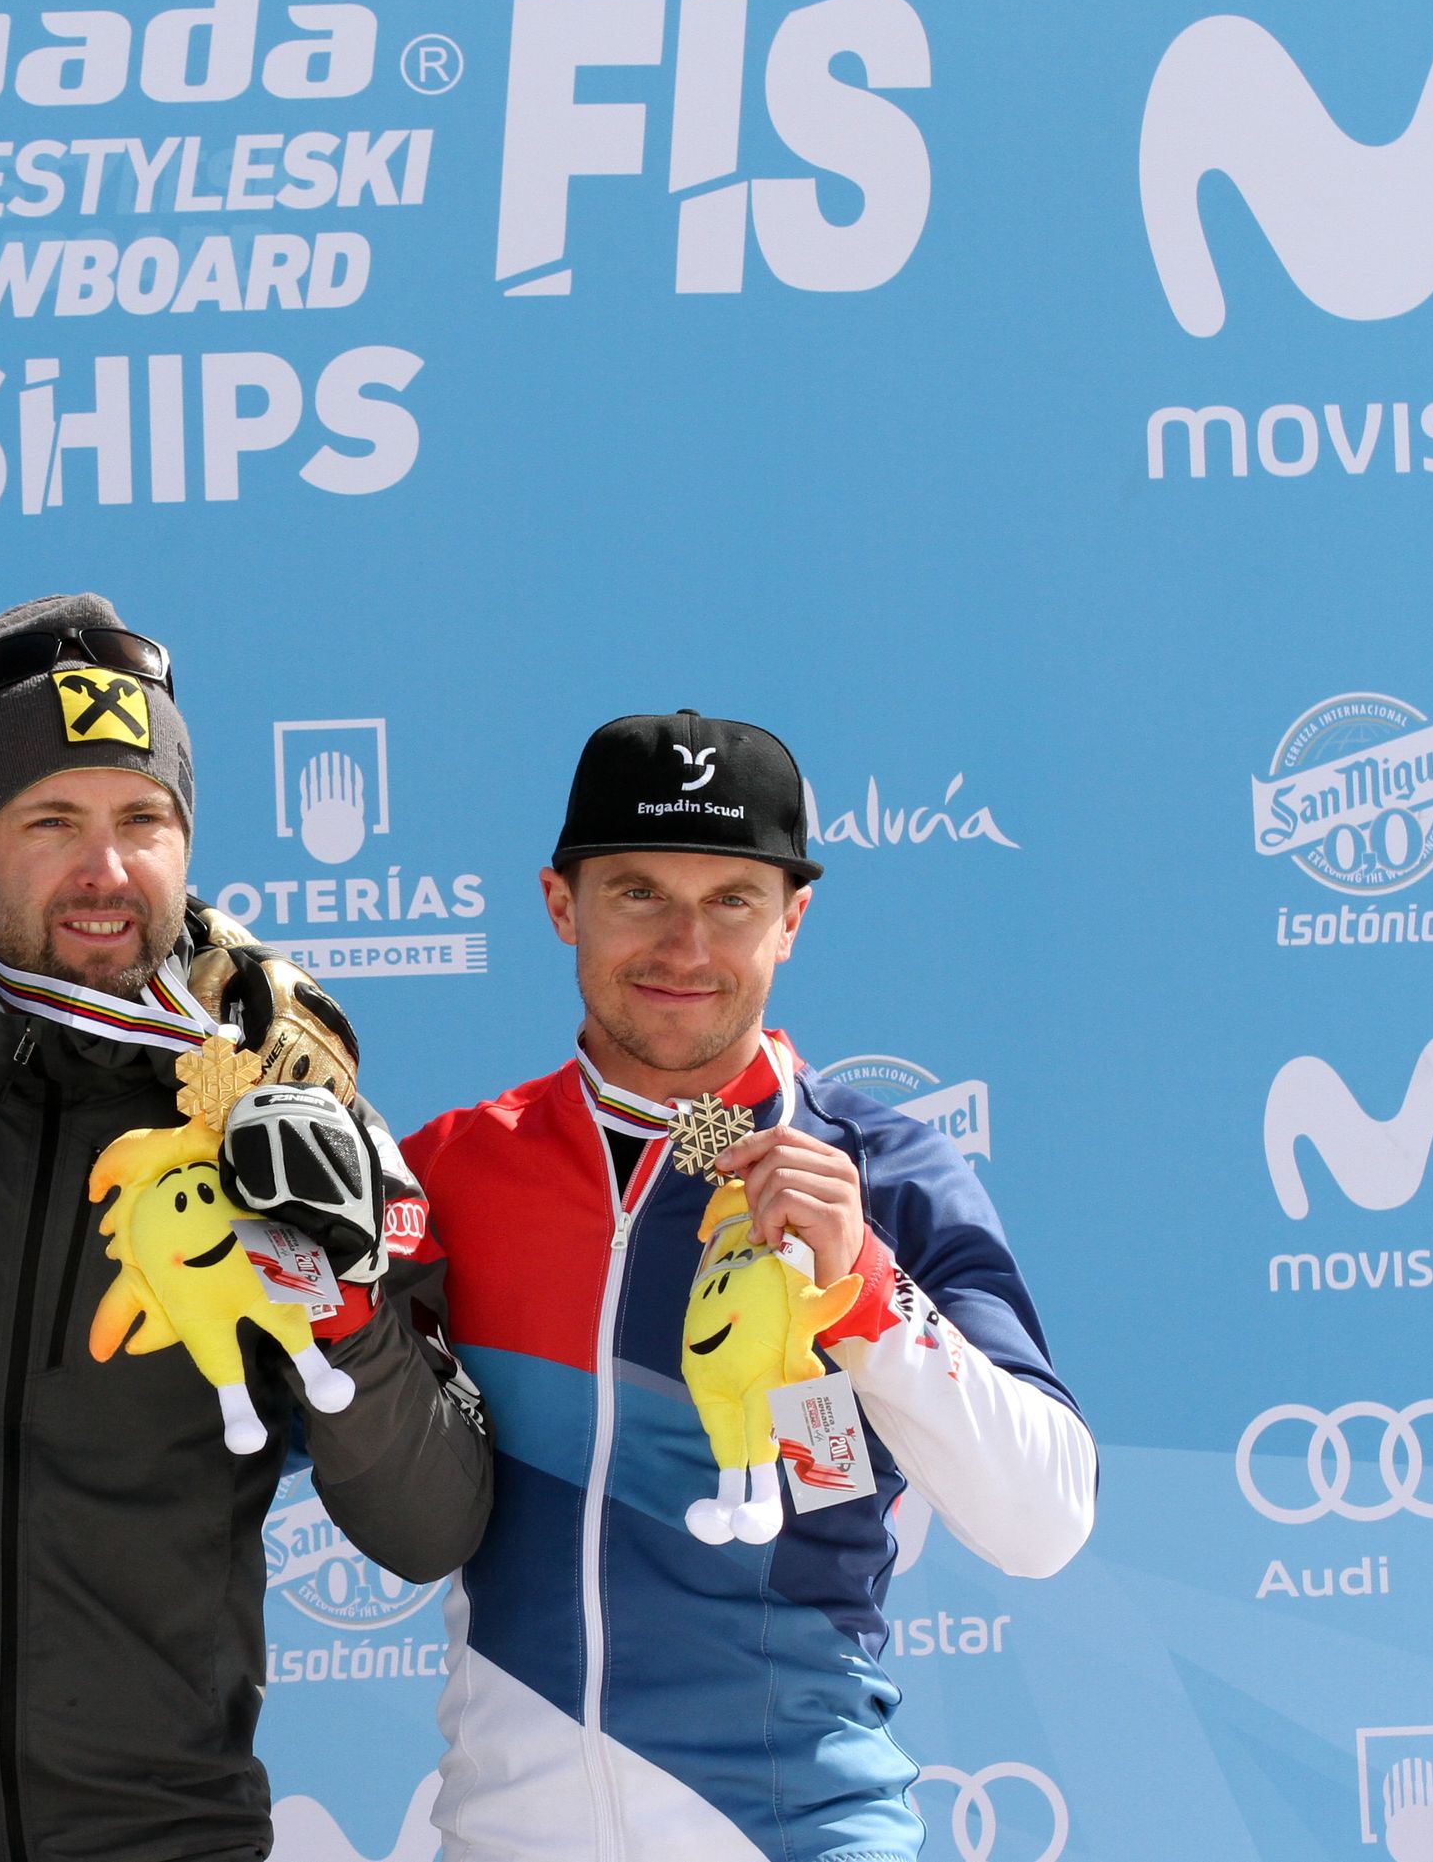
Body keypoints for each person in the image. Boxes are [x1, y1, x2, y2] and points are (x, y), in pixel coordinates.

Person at [0, 594, 493, 1862]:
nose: (106, 868)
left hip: (166, 1836)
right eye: (51, 822)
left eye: (144, 820)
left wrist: (340, 1300)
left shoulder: (283, 1114)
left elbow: (429, 1528)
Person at [408, 712, 1095, 1862]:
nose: (685, 945)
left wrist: (867, 1290)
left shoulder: (887, 1175)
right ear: (559, 902)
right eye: (638, 892)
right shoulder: (450, 1171)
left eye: (731, 899)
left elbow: (1044, 1518)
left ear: (793, 919)